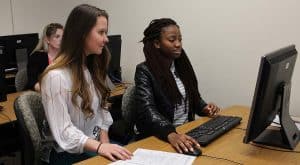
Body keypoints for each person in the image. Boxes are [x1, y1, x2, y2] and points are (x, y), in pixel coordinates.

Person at [40, 4, 132, 164]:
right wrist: (99, 148)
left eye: (106, 32)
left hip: (92, 145)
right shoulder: (55, 77)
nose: (106, 39)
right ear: (81, 34)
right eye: (101, 32)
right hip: (66, 153)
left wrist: (105, 143)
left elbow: (102, 111)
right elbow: (64, 132)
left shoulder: (90, 68)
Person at [134, 18, 220, 154]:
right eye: (172, 40)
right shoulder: (145, 71)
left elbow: (193, 97)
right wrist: (171, 134)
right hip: (162, 135)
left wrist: (204, 108)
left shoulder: (181, 66)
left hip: (185, 131)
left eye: (180, 39)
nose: (178, 44)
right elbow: (147, 110)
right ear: (157, 43)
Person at [27, 23, 63, 91]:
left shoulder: (66, 56)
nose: (61, 39)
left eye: (63, 37)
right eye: (57, 36)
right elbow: (33, 83)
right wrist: (49, 91)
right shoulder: (36, 57)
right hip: (44, 94)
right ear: (47, 40)